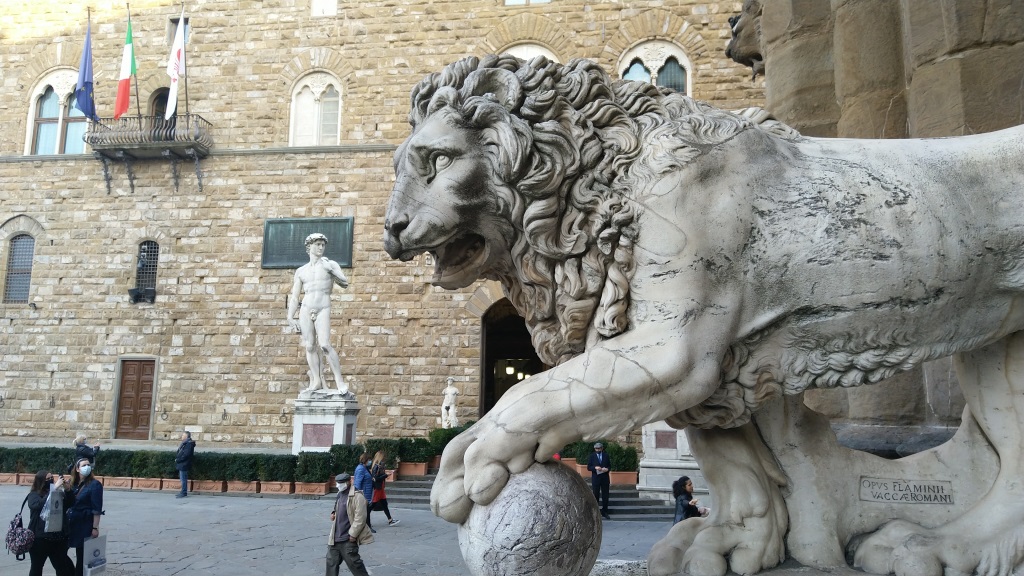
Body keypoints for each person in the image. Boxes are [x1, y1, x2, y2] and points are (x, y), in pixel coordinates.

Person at [288, 232, 350, 397]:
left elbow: (345, 283)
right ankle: (316, 380)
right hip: (306, 308)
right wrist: (290, 317)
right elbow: (295, 297)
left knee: (324, 344)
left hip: (323, 307)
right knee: (309, 346)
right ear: (309, 247)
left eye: (323, 245)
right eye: (318, 244)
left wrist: (331, 271)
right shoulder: (301, 271)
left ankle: (339, 381)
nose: (321, 247)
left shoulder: (330, 264)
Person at [26, 470, 74, 576]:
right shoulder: (33, 495)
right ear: (40, 481)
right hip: (40, 538)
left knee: (62, 566)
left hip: (58, 537)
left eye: (52, 478)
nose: (51, 480)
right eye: (47, 479)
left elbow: (70, 503)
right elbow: (39, 505)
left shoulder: (58, 493)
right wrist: (53, 489)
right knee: (36, 567)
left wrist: (68, 490)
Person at [326, 472, 373, 576]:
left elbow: (360, 518)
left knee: (355, 565)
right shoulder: (339, 494)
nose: (338, 485)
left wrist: (353, 534)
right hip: (335, 538)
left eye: (341, 483)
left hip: (348, 538)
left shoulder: (358, 496)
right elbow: (338, 508)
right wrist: (333, 513)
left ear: (349, 482)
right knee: (331, 564)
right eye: (337, 483)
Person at [66, 458, 104, 576]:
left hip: (84, 524)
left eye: (88, 465)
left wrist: (95, 527)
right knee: (59, 553)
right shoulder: (73, 484)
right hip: (70, 523)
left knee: (82, 557)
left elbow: (97, 508)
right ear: (77, 469)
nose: (87, 467)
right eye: (84, 465)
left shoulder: (95, 484)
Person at [368, 451, 399, 527]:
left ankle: (390, 520)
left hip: (380, 488)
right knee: (372, 505)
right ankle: (366, 521)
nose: (384, 459)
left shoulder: (378, 466)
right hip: (378, 488)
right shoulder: (377, 467)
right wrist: (385, 475)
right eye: (383, 457)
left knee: (384, 504)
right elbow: (375, 478)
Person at [587, 442, 611, 519]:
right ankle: (596, 512)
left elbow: (609, 466)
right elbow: (589, 467)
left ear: (602, 448)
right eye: (596, 449)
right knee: (596, 495)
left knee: (605, 495)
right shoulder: (592, 456)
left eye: (599, 448)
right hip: (596, 478)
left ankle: (605, 511)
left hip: (605, 478)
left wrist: (607, 469)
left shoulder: (606, 455)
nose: (597, 450)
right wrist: (595, 468)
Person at [352, 453, 376, 534]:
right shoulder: (361, 469)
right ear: (366, 460)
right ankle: (367, 527)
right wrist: (359, 494)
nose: (370, 461)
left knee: (366, 511)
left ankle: (366, 526)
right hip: (364, 494)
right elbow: (358, 483)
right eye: (369, 460)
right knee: (365, 511)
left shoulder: (364, 468)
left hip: (367, 493)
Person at [174, 431, 196, 498]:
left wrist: (178, 460)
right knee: (182, 478)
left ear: (186, 436)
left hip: (184, 464)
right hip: (182, 463)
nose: (181, 436)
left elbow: (186, 455)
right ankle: (182, 491)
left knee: (183, 479)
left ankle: (183, 492)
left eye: (183, 435)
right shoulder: (185, 443)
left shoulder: (188, 444)